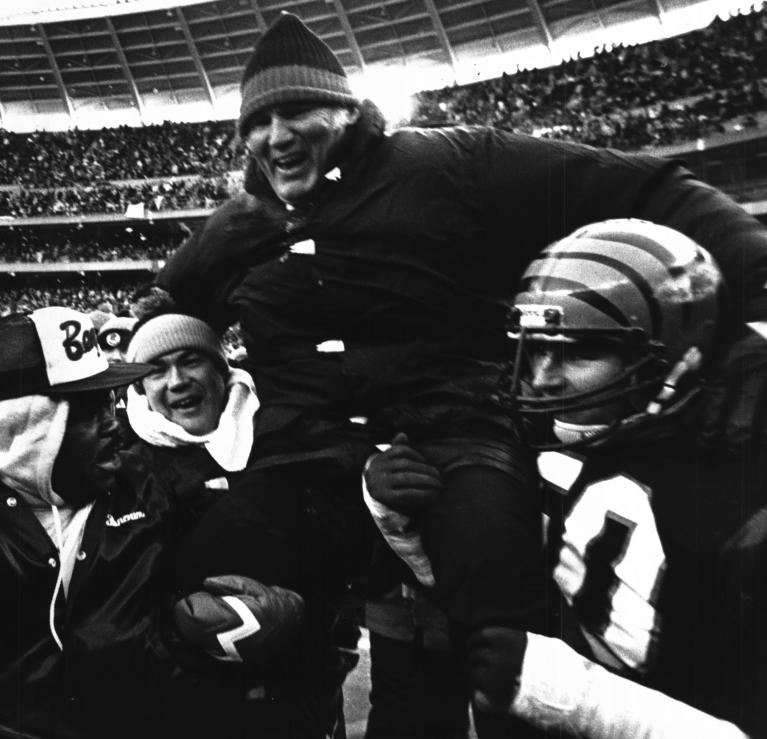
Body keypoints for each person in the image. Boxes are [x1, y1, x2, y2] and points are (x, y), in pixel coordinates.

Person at [154, 11, 767, 735]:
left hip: (452, 443)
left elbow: (656, 191)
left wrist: (754, 313)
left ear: (347, 112)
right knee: (184, 595)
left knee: (506, 647)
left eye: (296, 111)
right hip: (302, 461)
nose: (276, 136)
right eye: (258, 122)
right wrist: (173, 380)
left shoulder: (452, 163)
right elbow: (168, 307)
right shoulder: (237, 224)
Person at [0, 306, 305, 739]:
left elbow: (235, 600)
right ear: (30, 429)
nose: (114, 421)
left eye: (111, 400)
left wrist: (275, 616)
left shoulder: (152, 486)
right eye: (90, 409)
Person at [457, 219, 765, 738]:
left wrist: (582, 701)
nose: (540, 378)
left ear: (674, 359)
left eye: (577, 352)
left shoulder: (744, 509)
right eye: (535, 347)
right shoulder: (576, 442)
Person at [124, 311, 355, 737]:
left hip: (299, 691)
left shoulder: (286, 436)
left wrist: (307, 613)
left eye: (191, 360)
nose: (176, 381)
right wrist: (177, 619)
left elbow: (345, 553)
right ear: (140, 387)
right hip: (185, 702)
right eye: (157, 370)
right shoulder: (123, 468)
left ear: (221, 368)